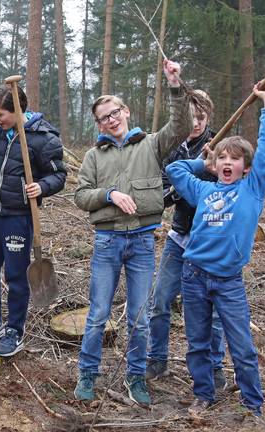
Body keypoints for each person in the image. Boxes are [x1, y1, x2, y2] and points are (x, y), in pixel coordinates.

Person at [73, 60, 190, 406]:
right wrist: (109, 195)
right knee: (97, 315)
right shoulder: (94, 157)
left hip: (141, 242)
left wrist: (174, 84)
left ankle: (136, 376)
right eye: (103, 117)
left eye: (114, 112)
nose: (110, 120)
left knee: (139, 319)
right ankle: (87, 375)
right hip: (107, 243)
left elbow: (181, 125)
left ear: (125, 111)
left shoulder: (152, 144)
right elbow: (80, 196)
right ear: (98, 124)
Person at [166, 81, 265, 417]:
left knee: (241, 346)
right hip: (194, 276)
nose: (228, 163)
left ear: (246, 166)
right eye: (223, 158)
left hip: (228, 281)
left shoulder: (253, 189)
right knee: (197, 342)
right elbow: (175, 168)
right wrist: (205, 163)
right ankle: (203, 394)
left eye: (235, 159)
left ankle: (252, 405)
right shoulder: (204, 190)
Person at [0, 83, 67, 358]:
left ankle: (15, 331)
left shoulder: (43, 138)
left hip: (18, 218)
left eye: (0, 114)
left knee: (15, 276)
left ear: (18, 109)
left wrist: (42, 187)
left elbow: (59, 175)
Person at [146, 90, 227, 390]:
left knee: (214, 311)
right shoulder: (173, 149)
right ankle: (157, 359)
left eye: (201, 118)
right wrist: (184, 182)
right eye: (191, 117)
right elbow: (163, 195)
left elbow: (231, 187)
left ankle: (215, 367)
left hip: (212, 240)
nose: (195, 123)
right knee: (160, 301)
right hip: (179, 236)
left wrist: (215, 165)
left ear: (209, 117)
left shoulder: (222, 143)